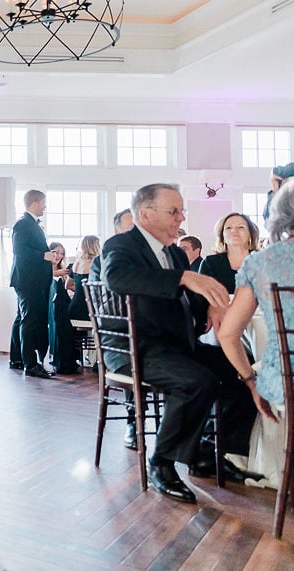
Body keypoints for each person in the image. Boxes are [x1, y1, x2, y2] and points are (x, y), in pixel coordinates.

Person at [100, 183, 257, 503]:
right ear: (145, 214)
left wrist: (210, 305)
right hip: (136, 347)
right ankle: (162, 462)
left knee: (242, 370)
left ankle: (211, 452)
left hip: (175, 345)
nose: (181, 217)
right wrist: (185, 277)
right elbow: (118, 279)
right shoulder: (121, 246)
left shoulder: (172, 252)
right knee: (196, 381)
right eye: (174, 211)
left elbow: (187, 298)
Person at [217, 181, 294, 487]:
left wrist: (250, 382)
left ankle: (279, 469)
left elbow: (227, 335)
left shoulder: (260, 262)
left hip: (283, 378)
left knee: (265, 373)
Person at [10, 190, 60, 379]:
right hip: (28, 281)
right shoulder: (23, 224)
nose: (45, 207)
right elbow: (19, 249)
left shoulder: (30, 224)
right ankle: (30, 365)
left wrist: (47, 253)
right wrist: (43, 255)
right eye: (43, 203)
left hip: (29, 279)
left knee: (21, 319)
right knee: (29, 321)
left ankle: (16, 359)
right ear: (35, 203)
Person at [198, 212, 259, 294]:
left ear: (251, 234)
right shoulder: (210, 263)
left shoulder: (263, 260)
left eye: (241, 227)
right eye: (228, 228)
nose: (234, 231)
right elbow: (201, 297)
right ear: (222, 236)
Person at [47, 242, 78, 374]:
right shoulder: (45, 268)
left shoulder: (64, 269)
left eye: (61, 253)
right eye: (56, 252)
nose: (59, 256)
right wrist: (56, 273)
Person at [68, 235, 100, 321]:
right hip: (90, 310)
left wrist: (81, 290)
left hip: (74, 308)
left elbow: (68, 285)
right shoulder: (97, 264)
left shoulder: (76, 264)